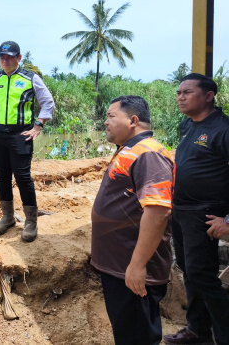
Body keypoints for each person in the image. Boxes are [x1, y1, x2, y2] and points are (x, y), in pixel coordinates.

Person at [91, 96, 174, 345]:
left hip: (133, 268)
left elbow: (158, 212)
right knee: (127, 332)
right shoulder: (130, 149)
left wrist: (137, 265)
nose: (105, 122)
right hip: (119, 265)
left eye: (111, 116)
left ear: (133, 120)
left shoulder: (148, 154)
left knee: (137, 337)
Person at [163, 73, 229, 345]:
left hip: (206, 213)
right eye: (179, 92)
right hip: (182, 212)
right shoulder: (187, 126)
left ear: (209, 95)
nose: (180, 97)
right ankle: (197, 330)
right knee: (190, 272)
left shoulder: (223, 130)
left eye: (187, 92)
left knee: (203, 276)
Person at [0, 41, 54, 241]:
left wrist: (38, 126)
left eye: (10, 57)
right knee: (2, 176)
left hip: (21, 134)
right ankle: (8, 216)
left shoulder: (30, 78)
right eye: (2, 57)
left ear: (19, 58)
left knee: (22, 177)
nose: (5, 60)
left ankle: (30, 221)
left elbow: (48, 102)